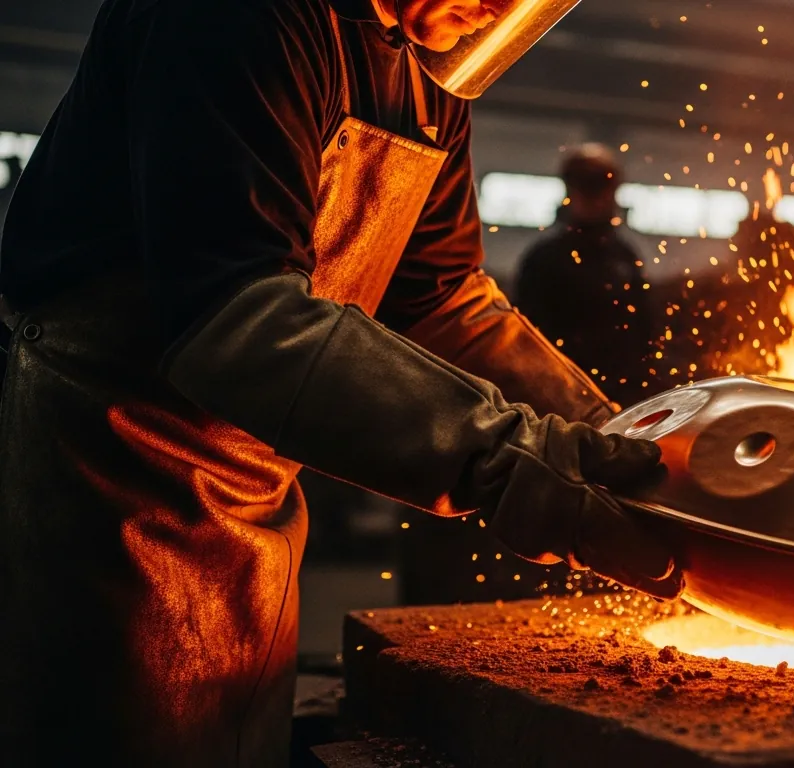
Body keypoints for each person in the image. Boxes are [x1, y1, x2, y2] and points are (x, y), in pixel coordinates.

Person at [0, 0, 681, 766]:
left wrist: (628, 445)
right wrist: (510, 461)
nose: (502, 7)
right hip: (102, 482)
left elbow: (442, 302)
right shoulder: (240, 19)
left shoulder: (429, 74)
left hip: (252, 500)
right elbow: (236, 324)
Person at [514, 144, 657, 406]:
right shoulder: (544, 258)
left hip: (618, 396)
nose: (593, 197)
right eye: (586, 186)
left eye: (600, 186)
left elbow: (643, 331)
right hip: (556, 395)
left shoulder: (624, 257)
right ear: (570, 190)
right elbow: (527, 335)